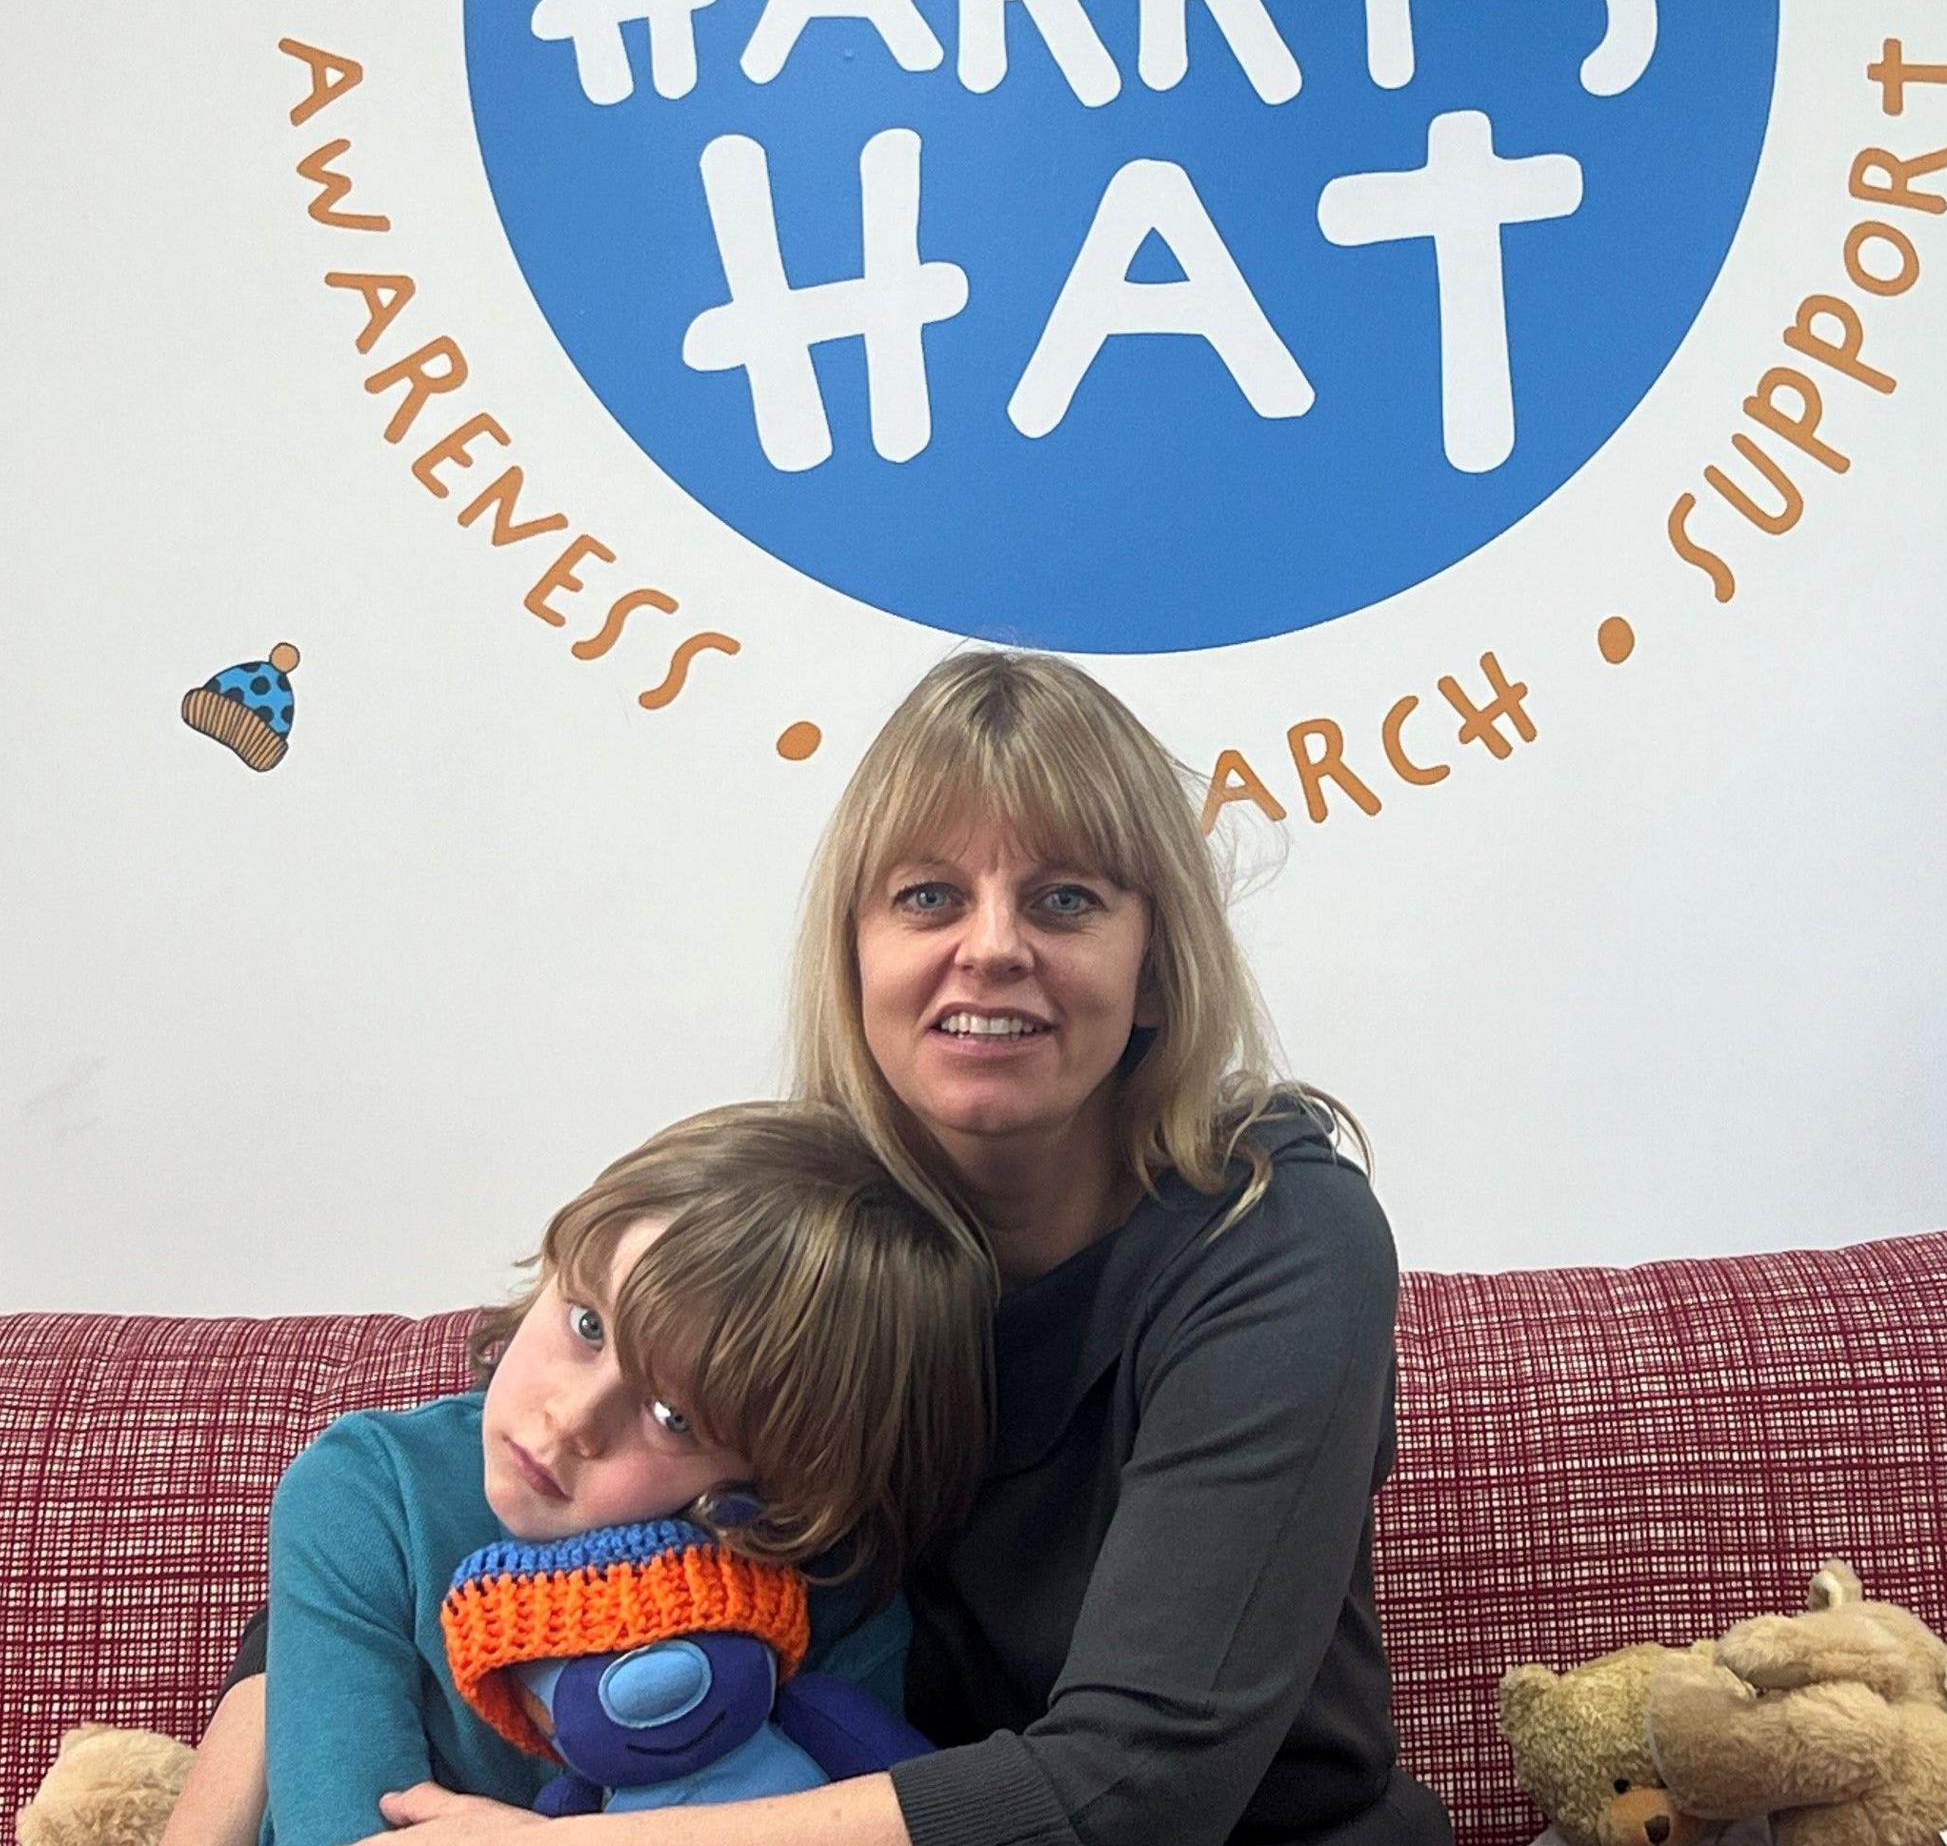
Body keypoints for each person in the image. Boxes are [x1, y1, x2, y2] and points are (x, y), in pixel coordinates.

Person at [362, 649, 1447, 1845]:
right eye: (928, 896)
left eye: (1066, 899)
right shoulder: (821, 1242)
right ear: (858, 955)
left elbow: (1140, 1787)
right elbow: (453, 1490)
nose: (990, 948)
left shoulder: (1276, 1233)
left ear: (1154, 975)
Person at [185, 1102, 996, 1846]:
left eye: (673, 1417)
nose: (572, 1418)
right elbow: (343, 1831)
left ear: (766, 1486)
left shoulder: (810, 1587)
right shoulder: (368, 1492)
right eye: (586, 1324)